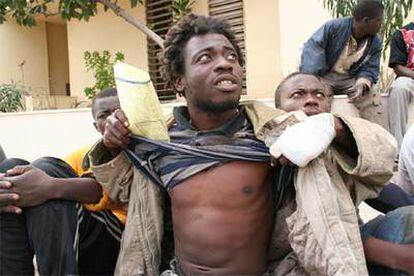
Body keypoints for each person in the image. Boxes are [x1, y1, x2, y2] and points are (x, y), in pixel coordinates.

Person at [87, 14, 396, 275]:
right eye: (205, 58)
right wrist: (115, 144)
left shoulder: (278, 135)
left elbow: (381, 159)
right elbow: (119, 189)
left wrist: (332, 125)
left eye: (231, 56)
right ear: (179, 80)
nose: (225, 64)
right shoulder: (158, 144)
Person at [275, 72, 414, 275]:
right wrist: (397, 257)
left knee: (409, 217)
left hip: (351, 242)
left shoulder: (338, 148)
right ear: (277, 109)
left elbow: (382, 190)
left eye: (319, 95)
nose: (311, 100)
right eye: (298, 94)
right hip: (293, 262)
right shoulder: (266, 155)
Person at [0, 88, 126, 275]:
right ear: (95, 125)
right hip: (82, 243)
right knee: (11, 171)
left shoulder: (141, 150)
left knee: (47, 180)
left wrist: (49, 187)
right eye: (103, 115)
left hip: (117, 240)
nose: (111, 119)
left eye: (118, 111)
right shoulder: (82, 155)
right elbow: (45, 176)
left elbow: (102, 191)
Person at [300, 0, 384, 126]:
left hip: (350, 79)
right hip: (325, 77)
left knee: (371, 96)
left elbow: (370, 68)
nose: (381, 24)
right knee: (318, 98)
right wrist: (313, 78)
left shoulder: (375, 42)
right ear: (366, 21)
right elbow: (313, 48)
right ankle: (316, 133)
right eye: (379, 20)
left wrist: (363, 82)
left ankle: (377, 138)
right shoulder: (334, 27)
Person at [387, 21, 414, 150]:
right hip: (410, 78)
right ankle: (399, 149)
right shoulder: (402, 34)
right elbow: (398, 67)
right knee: (398, 88)